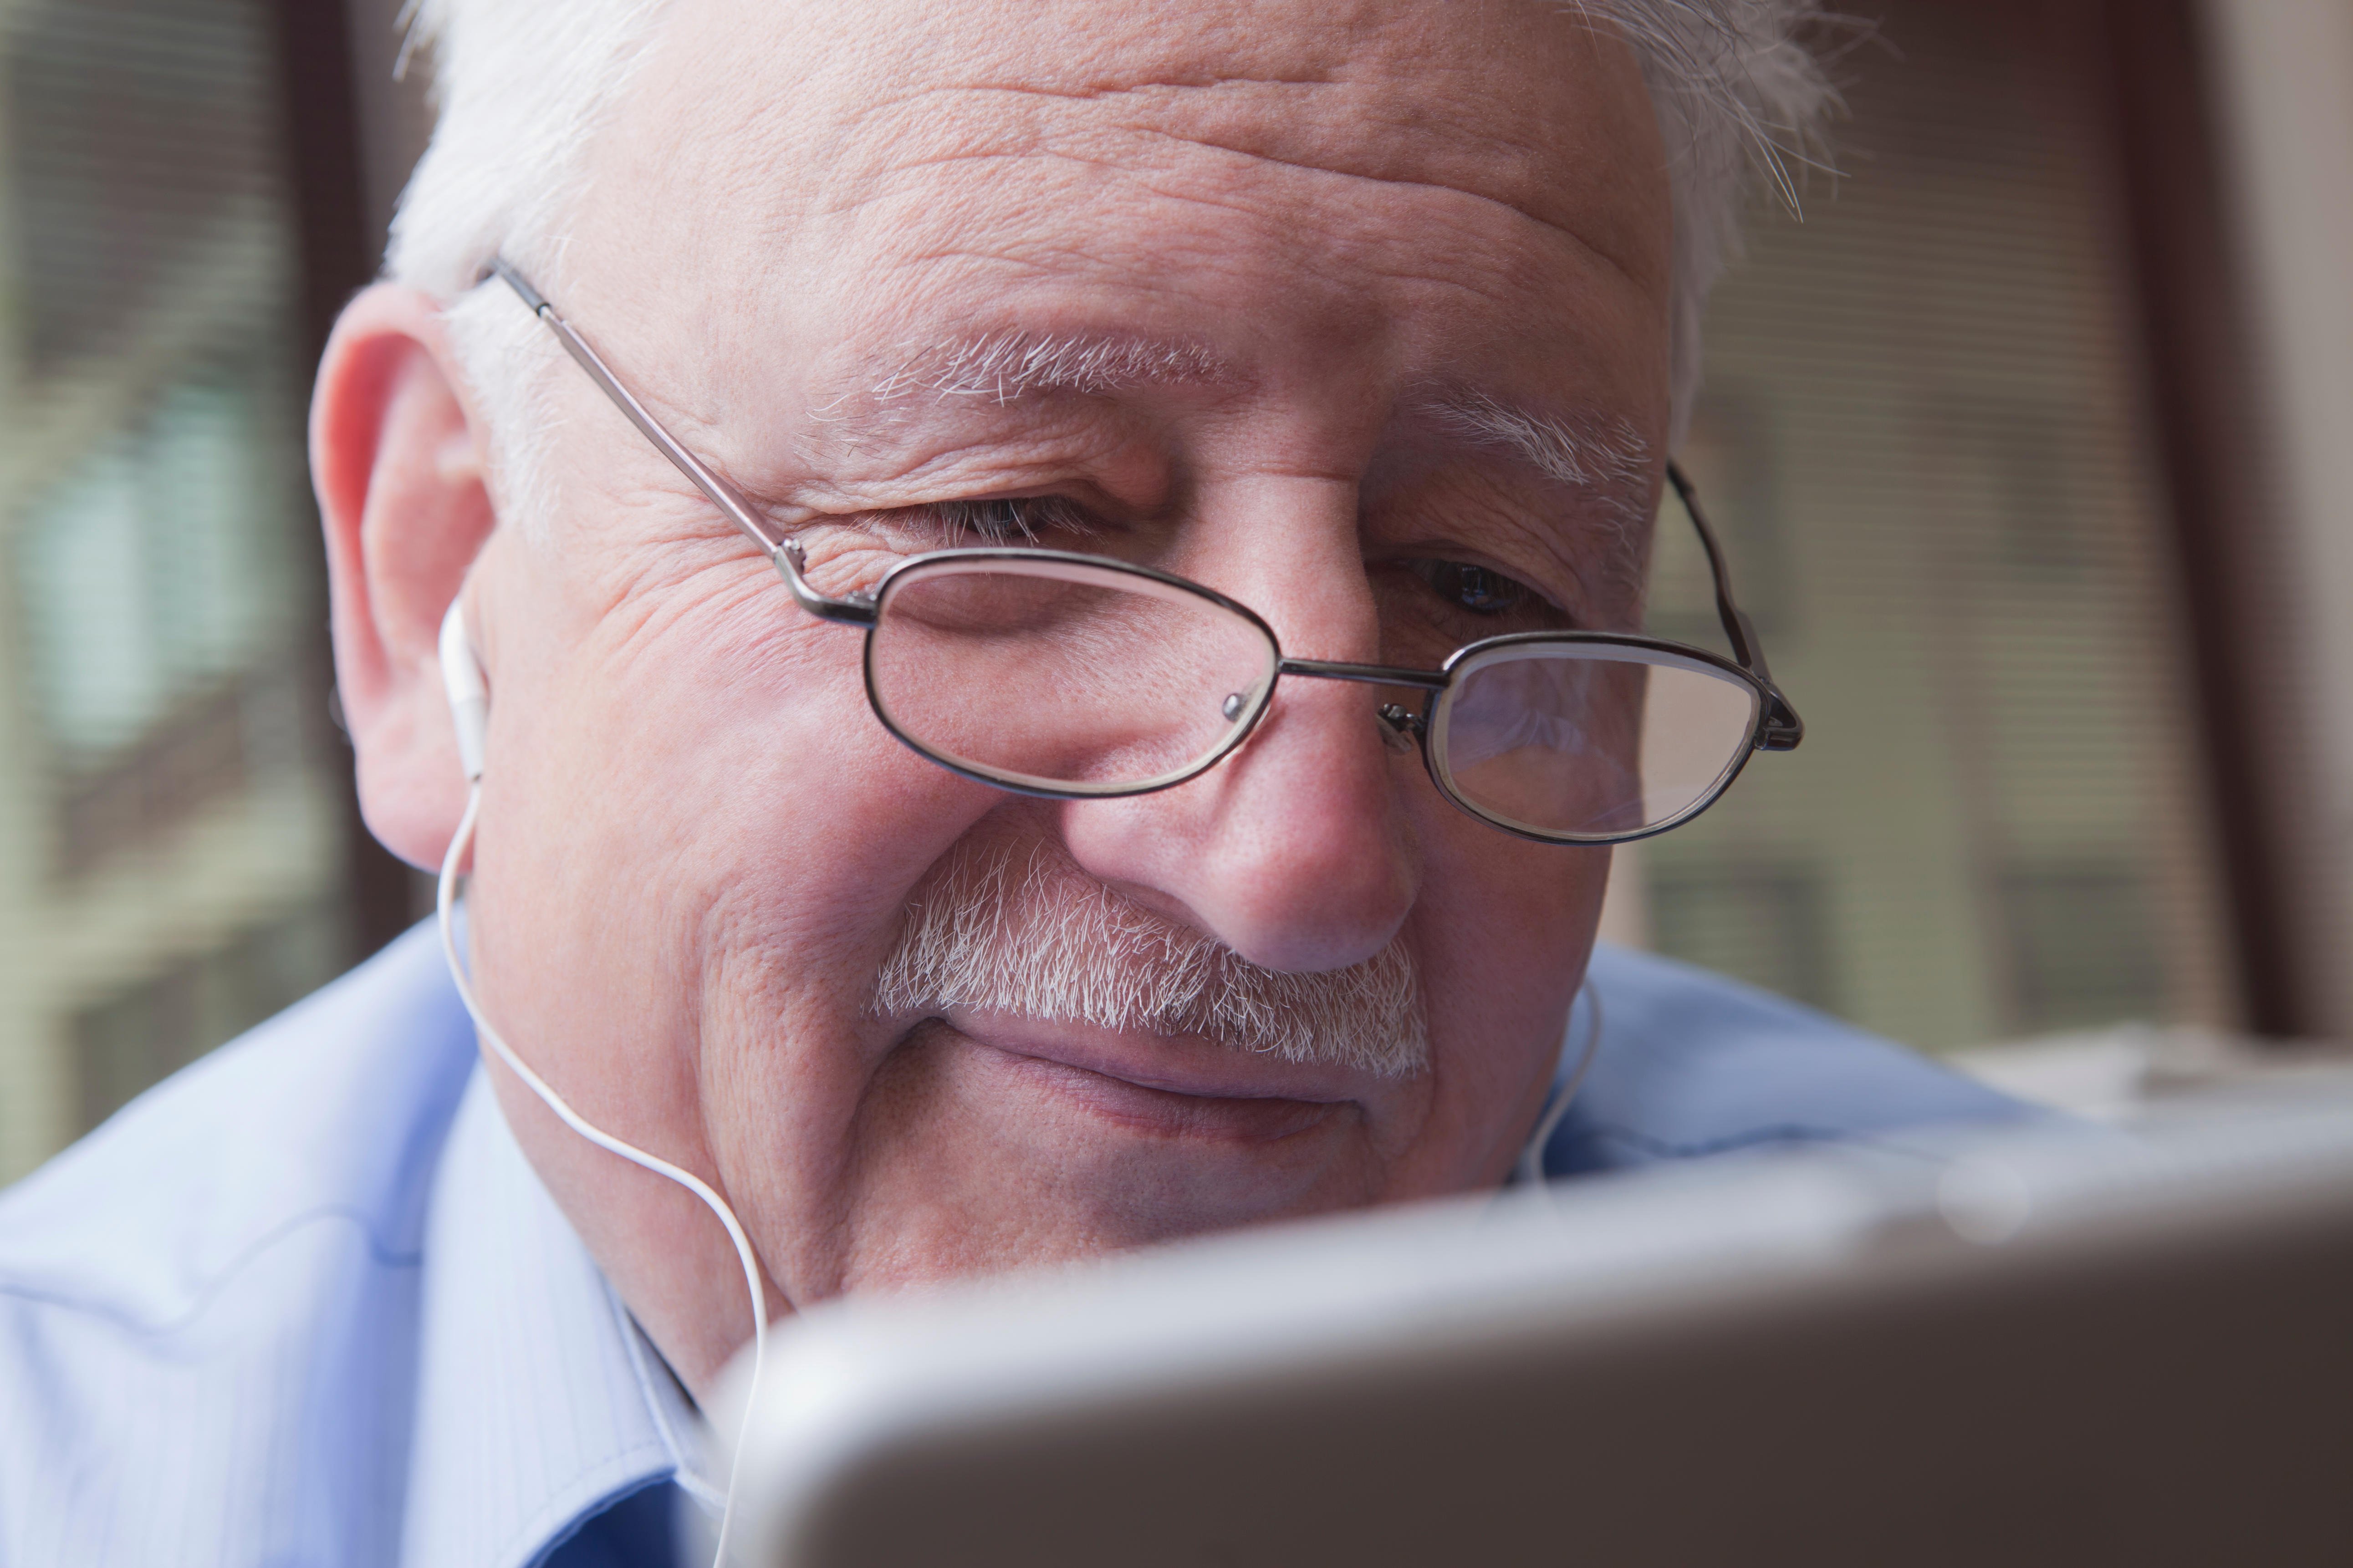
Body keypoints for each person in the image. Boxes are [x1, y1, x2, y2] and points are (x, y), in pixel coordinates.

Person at [0, 1, 2025, 1562]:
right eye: (1015, 524)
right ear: (444, 575)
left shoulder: (2104, 1394)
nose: (1299, 859)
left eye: (1477, 578)